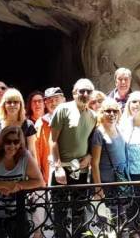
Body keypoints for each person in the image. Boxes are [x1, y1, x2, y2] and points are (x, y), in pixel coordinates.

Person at [0, 126, 45, 237]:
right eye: (8, 142)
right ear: (2, 142)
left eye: (16, 141)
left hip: (16, 210)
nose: (12, 146)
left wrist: (18, 186)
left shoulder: (25, 156)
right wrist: (5, 185)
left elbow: (39, 181)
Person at [50, 78, 97, 238]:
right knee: (60, 214)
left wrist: (89, 156)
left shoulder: (93, 116)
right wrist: (58, 168)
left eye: (88, 91)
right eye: (81, 91)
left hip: (82, 171)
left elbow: (91, 141)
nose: (85, 94)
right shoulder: (62, 109)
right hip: (62, 170)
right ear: (74, 93)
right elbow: (53, 140)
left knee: (79, 212)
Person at [121, 91, 140, 235]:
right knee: (131, 211)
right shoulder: (123, 123)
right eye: (134, 101)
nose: (137, 105)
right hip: (130, 175)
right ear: (129, 104)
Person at [0, 88, 37, 158]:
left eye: (16, 102)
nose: (12, 105)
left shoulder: (28, 125)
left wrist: (35, 168)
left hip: (21, 167)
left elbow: (32, 152)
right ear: (4, 105)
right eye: (9, 102)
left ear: (21, 104)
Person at [35, 87, 66, 184]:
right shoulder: (40, 124)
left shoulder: (74, 119)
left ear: (64, 100)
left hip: (75, 171)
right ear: (45, 104)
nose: (53, 103)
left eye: (57, 99)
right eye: (49, 100)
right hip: (50, 174)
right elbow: (36, 152)